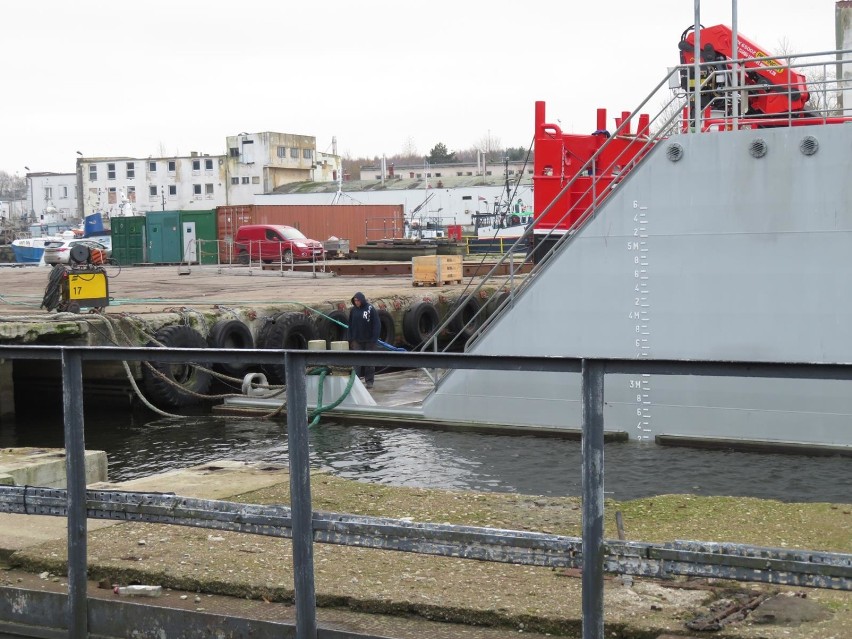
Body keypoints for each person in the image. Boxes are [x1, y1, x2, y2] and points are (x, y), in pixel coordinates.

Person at [348, 291, 380, 389]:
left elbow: (376, 324)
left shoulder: (370, 309)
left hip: (369, 340)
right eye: (355, 301)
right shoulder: (353, 311)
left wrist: (374, 339)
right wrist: (350, 339)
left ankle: (369, 381)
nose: (356, 302)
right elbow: (350, 325)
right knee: (357, 362)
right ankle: (356, 380)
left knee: (369, 362)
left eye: (358, 300)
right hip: (357, 340)